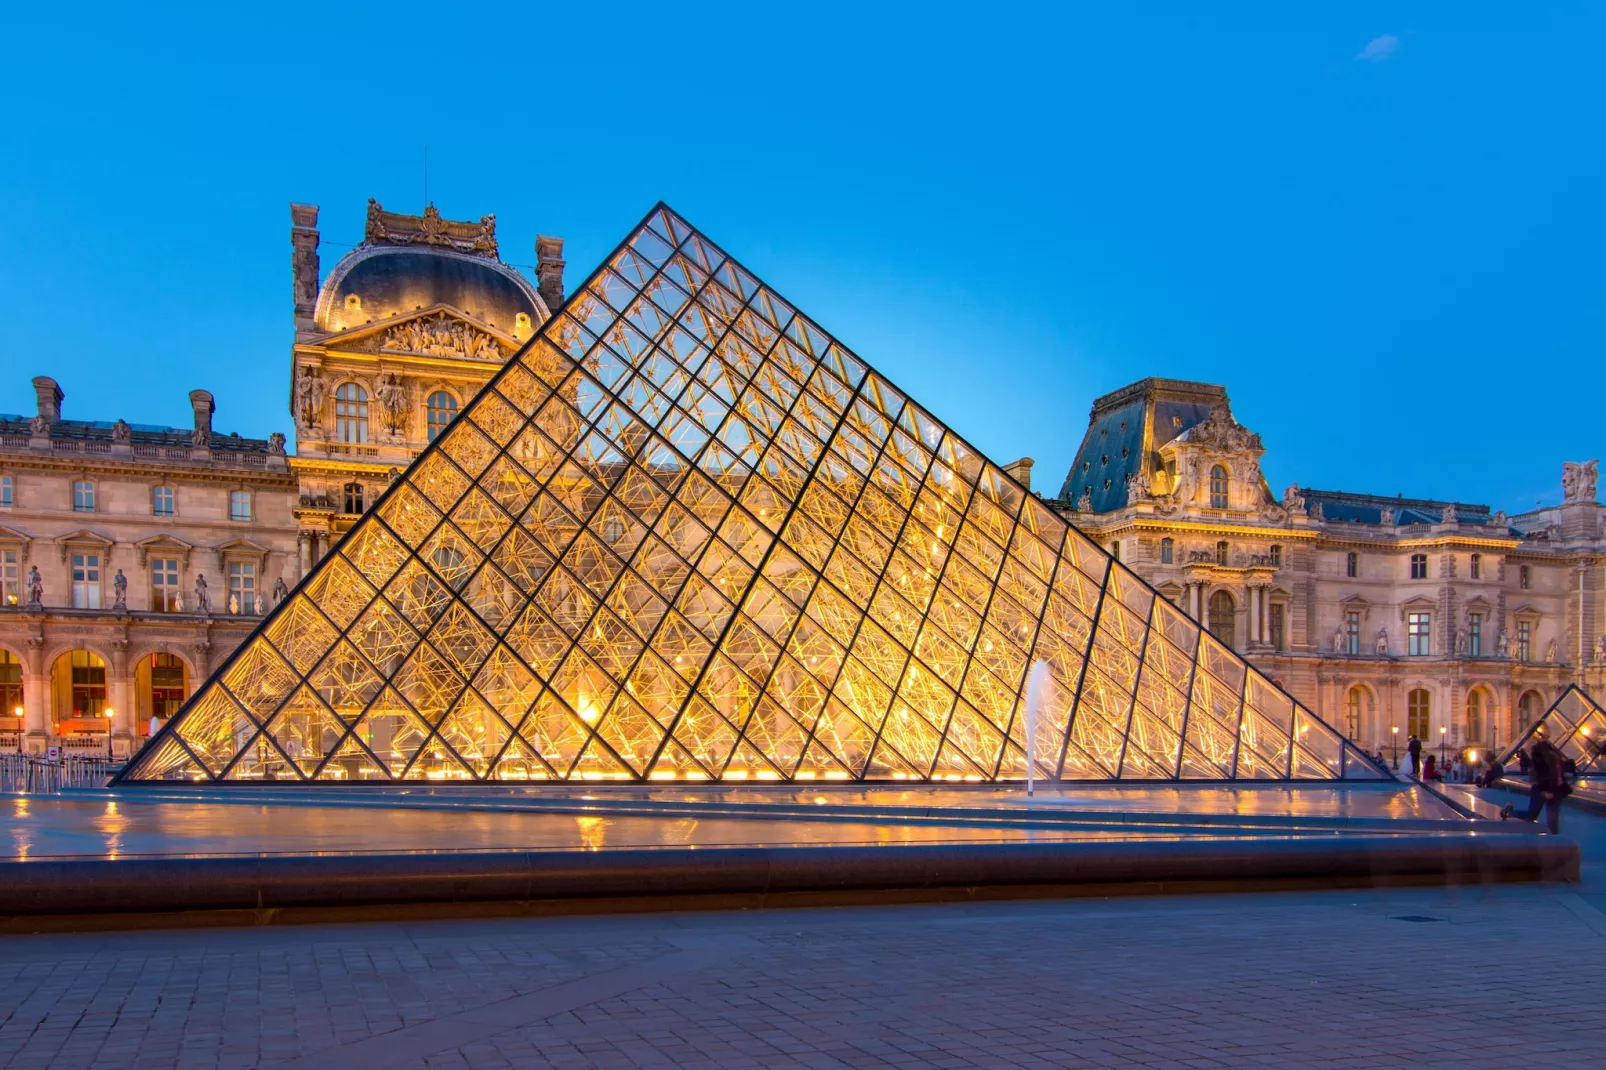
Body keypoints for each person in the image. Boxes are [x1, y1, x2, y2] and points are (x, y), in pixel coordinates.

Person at [1501, 726, 1569, 834]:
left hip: (1553, 788)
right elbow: (1540, 772)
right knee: (1532, 816)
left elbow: (1557, 770)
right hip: (1542, 787)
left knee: (1551, 822)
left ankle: (1553, 841)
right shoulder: (1540, 753)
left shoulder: (1551, 752)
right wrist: (1544, 790)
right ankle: (1509, 812)